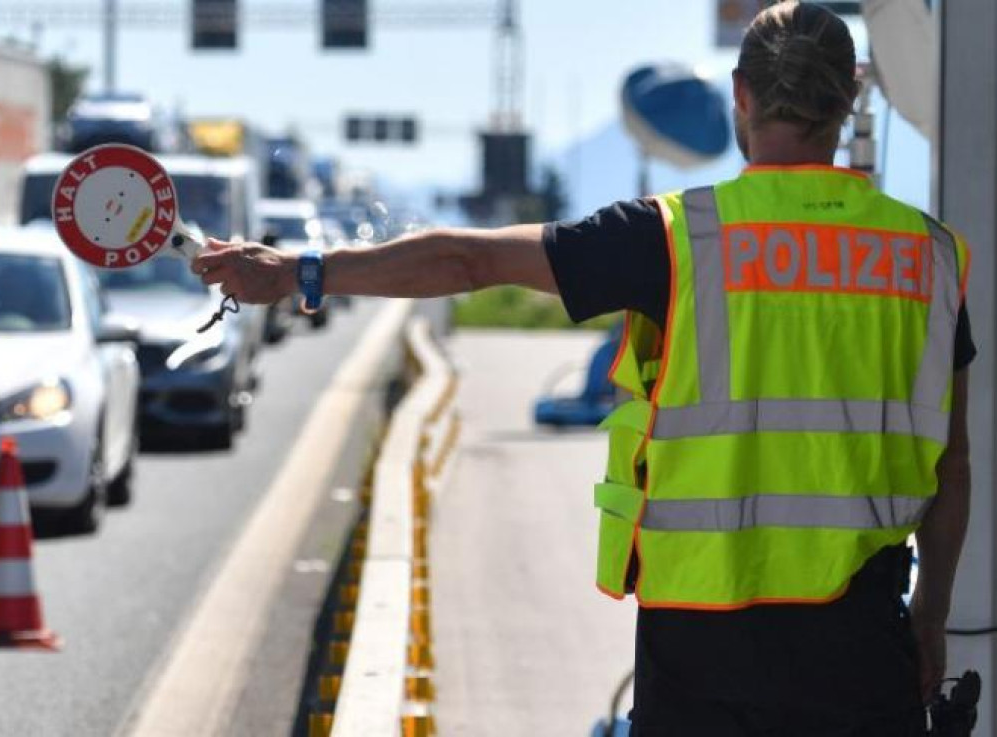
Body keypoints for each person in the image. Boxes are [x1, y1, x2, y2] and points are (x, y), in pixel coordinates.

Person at [193, 3, 973, 734]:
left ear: (741, 95)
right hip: (865, 650)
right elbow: (954, 464)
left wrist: (300, 271)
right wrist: (930, 616)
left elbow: (469, 258)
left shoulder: (675, 238)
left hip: (702, 658)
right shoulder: (928, 257)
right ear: (852, 96)